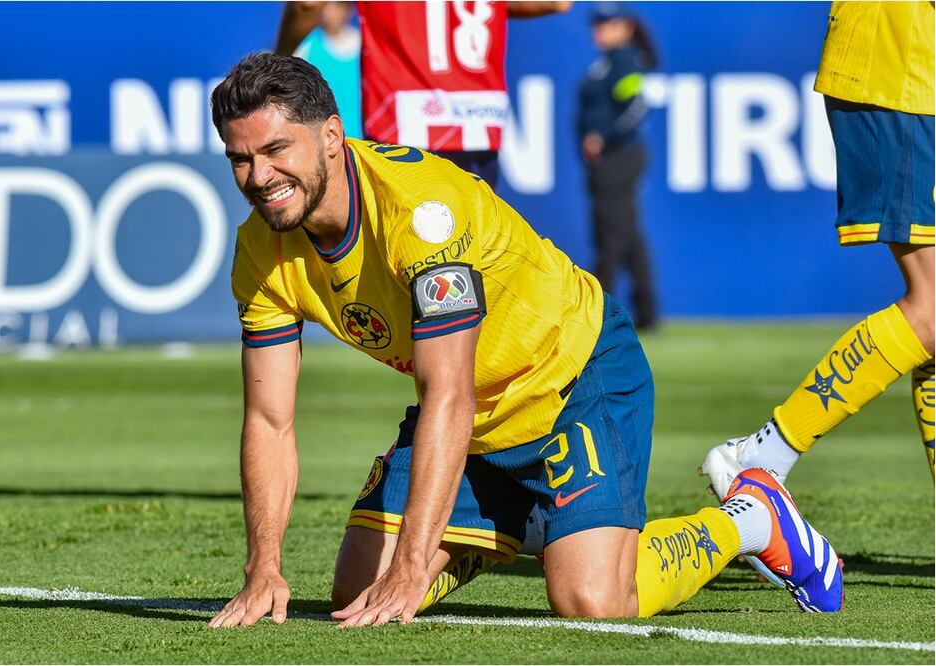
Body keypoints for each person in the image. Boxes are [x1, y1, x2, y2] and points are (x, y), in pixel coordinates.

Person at [205, 52, 842, 629]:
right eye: (241, 158)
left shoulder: (424, 214)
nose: (260, 176)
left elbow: (448, 393)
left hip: (571, 374)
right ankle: (524, 520)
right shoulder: (259, 250)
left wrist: (413, 564)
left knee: (592, 600)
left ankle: (749, 517)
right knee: (356, 592)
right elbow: (269, 420)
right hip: (474, 417)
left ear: (331, 136)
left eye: (277, 150)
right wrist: (263, 568)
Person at [700, 0, 934, 584]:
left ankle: (766, 452)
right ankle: (763, 453)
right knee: (933, 307)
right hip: (898, 70)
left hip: (912, 68)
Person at [276, 1, 573, 189]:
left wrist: (279, 59)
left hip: (406, 125)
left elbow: (307, 4)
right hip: (479, 122)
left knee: (408, 256)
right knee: (472, 251)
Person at [578, 2, 658, 330]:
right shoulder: (606, 62)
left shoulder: (624, 60)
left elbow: (636, 106)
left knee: (610, 233)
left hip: (620, 156)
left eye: (608, 24)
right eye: (597, 24)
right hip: (610, 160)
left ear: (626, 27)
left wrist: (605, 136)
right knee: (626, 233)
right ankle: (646, 310)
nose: (599, 30)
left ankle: (600, 311)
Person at [293, 1, 363, 139]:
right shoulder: (306, 46)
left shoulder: (362, 44)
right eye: (325, 5)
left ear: (348, 9)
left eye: (336, 5)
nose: (329, 12)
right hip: (326, 137)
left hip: (360, 137)